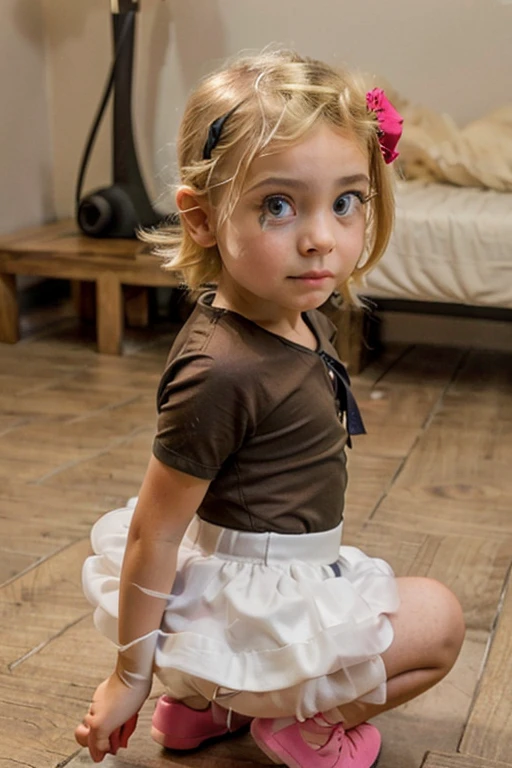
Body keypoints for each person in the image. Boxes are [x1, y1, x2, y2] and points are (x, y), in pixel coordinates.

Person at [74, 49, 465, 767]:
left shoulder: (286, 308)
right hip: (247, 610)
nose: (321, 237)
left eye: (345, 201)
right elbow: (152, 533)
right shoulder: (220, 369)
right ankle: (298, 724)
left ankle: (203, 707)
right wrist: (129, 674)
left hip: (253, 595)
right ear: (201, 218)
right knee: (440, 620)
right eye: (278, 206)